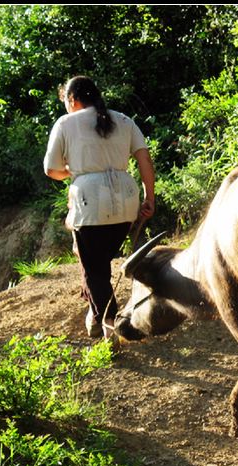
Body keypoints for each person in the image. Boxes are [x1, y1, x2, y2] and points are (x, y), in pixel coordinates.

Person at [44, 75, 155, 341]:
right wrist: (149, 197)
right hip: (126, 200)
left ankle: (108, 330)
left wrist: (73, 172)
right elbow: (144, 160)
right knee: (96, 263)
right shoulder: (125, 120)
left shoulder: (65, 123)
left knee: (93, 270)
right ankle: (95, 316)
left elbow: (50, 169)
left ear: (72, 100)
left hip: (90, 201)